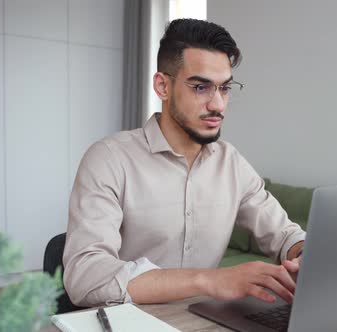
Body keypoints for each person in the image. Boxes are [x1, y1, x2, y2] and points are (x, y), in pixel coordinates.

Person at [63, 18, 306, 307]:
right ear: (163, 86)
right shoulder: (109, 159)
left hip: (201, 321)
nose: (217, 104)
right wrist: (209, 280)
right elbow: (85, 277)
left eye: (225, 88)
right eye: (201, 87)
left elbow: (286, 235)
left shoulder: (232, 164)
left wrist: (302, 255)